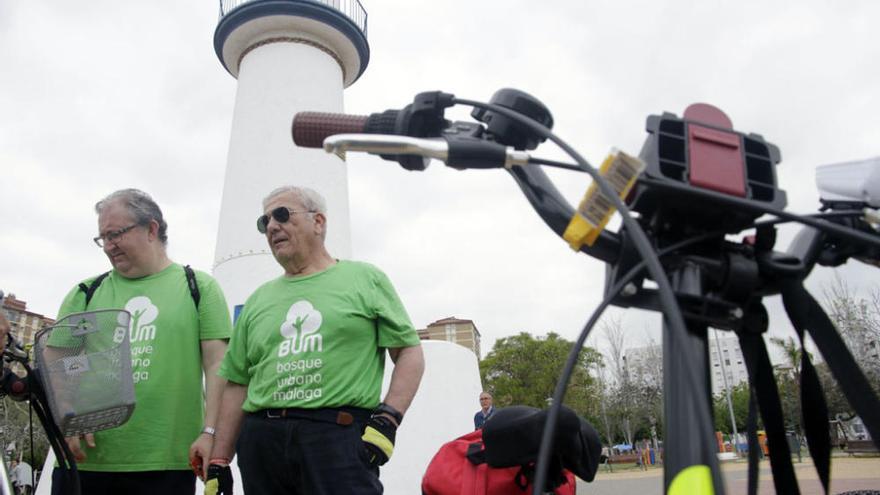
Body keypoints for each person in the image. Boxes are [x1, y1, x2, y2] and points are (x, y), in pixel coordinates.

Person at [203, 186, 425, 495]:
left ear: (318, 222)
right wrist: (219, 459)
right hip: (262, 442)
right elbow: (238, 383)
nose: (271, 226)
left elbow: (409, 352)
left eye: (282, 215)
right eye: (263, 221)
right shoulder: (258, 299)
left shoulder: (364, 279)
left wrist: (389, 418)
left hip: (336, 438)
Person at [51, 189, 232, 495]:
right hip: (84, 463)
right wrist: (68, 415)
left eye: (116, 234)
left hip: (167, 464)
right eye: (103, 238)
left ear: (152, 229)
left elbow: (218, 365)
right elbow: (57, 360)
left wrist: (210, 432)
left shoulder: (198, 287)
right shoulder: (85, 292)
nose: (108, 245)